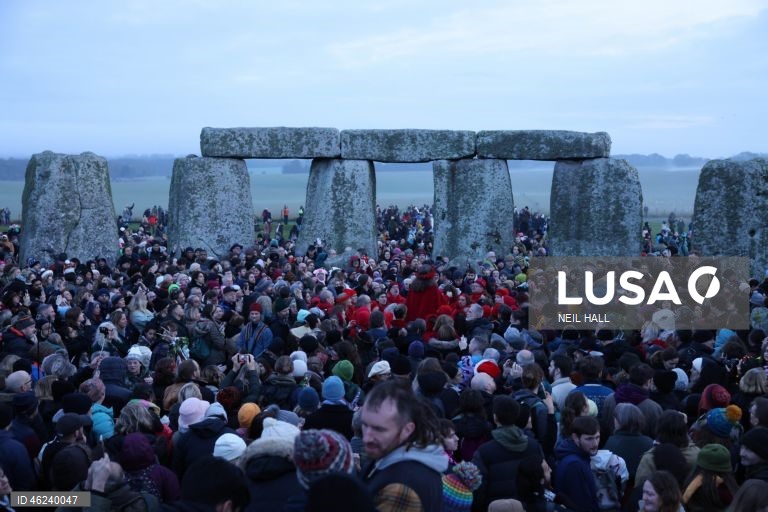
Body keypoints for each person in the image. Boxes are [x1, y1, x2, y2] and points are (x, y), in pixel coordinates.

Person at [360, 379, 448, 511]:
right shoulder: (388, 456)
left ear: (407, 430)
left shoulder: (400, 489)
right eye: (365, 425)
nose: (367, 437)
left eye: (379, 429)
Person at [471, 395, 543, 511]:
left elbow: (478, 489)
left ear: (495, 418)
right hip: (527, 506)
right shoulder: (533, 445)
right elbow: (541, 479)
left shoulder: (484, 451)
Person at [553, 415, 600, 512]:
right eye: (589, 439)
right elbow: (582, 504)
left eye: (597, 437)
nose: (595, 443)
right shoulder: (574, 465)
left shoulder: (576, 456)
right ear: (575, 437)